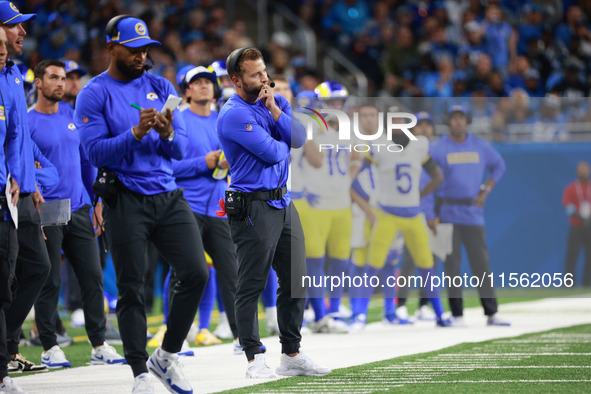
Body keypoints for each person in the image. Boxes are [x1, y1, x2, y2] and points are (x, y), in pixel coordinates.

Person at [75, 16, 209, 394]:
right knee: (133, 288)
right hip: (126, 199)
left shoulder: (160, 84)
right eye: (133, 49)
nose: (141, 55)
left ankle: (165, 356)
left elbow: (181, 148)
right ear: (111, 48)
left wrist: (166, 133)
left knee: (196, 272)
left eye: (145, 48)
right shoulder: (93, 93)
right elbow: (94, 151)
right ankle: (139, 373)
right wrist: (134, 133)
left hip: (167, 194)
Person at [217, 47, 330, 378]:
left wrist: (276, 113)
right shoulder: (233, 113)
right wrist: (281, 137)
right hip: (252, 204)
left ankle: (291, 353)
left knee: (296, 279)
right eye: (255, 74)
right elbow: (272, 154)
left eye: (264, 71)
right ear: (236, 80)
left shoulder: (275, 101)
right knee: (251, 284)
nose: (264, 79)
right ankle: (254, 358)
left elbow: (298, 138)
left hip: (282, 201)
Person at [29, 59, 125, 368]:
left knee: (92, 276)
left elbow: (87, 164)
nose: (60, 83)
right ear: (39, 84)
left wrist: (97, 201)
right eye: (53, 78)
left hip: (81, 206)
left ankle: (99, 344)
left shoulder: (72, 116)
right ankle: (48, 346)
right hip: (49, 207)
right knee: (50, 280)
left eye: (62, 78)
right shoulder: (28, 122)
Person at [1, 1, 59, 373]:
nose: (23, 32)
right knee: (4, 278)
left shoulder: (13, 72)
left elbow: (19, 138)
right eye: (14, 25)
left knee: (38, 267)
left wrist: (32, 178)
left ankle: (6, 345)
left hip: (22, 193)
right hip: (7, 192)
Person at [171, 65, 239, 347]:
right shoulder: (178, 120)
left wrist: (227, 163)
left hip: (219, 206)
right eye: (197, 83)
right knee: (184, 272)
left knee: (232, 272)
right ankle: (176, 335)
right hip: (188, 205)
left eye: (208, 82)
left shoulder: (222, 120)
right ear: (187, 90)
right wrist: (205, 163)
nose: (204, 86)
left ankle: (242, 337)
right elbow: (168, 167)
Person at [363, 110, 450, 327]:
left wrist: (419, 195)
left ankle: (440, 315)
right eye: (394, 120)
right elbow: (356, 173)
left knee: (426, 265)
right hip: (387, 213)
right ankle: (359, 315)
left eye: (401, 120)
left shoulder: (419, 144)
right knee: (373, 265)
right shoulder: (379, 143)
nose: (398, 123)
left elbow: (438, 176)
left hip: (412, 214)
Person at [430, 105, 510, 327]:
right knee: (451, 266)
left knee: (481, 265)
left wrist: (486, 189)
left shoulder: (479, 145)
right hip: (447, 212)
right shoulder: (438, 148)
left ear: (467, 121)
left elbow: (499, 166)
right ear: (448, 121)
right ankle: (457, 315)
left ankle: (491, 313)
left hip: (473, 213)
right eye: (454, 118)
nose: (458, 122)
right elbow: (427, 177)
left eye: (461, 118)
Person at [0, 21, 25, 394]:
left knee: (4, 287)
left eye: (3, 50)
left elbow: (15, 138)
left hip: (5, 199)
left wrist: (15, 176)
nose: (3, 55)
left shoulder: (9, 81)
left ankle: (2, 368)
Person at [562, 161, 591, 286]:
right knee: (572, 255)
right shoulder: (571, 188)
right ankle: (569, 284)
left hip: (589, 227)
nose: (583, 173)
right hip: (576, 226)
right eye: (581, 170)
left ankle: (587, 283)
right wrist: (578, 217)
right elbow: (567, 206)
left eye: (585, 170)